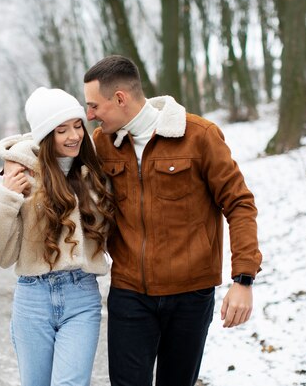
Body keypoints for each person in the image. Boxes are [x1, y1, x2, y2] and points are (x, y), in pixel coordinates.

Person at [82, 55, 263, 386]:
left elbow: (239, 203)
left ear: (119, 98)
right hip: (129, 293)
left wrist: (244, 278)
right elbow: (57, 157)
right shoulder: (101, 143)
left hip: (190, 295)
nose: (90, 115)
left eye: (94, 106)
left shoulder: (199, 136)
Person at [0, 87, 115, 386]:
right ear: (44, 135)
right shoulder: (21, 177)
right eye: (61, 130)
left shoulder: (93, 174)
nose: (74, 136)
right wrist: (6, 198)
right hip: (33, 298)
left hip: (81, 296)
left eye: (78, 125)